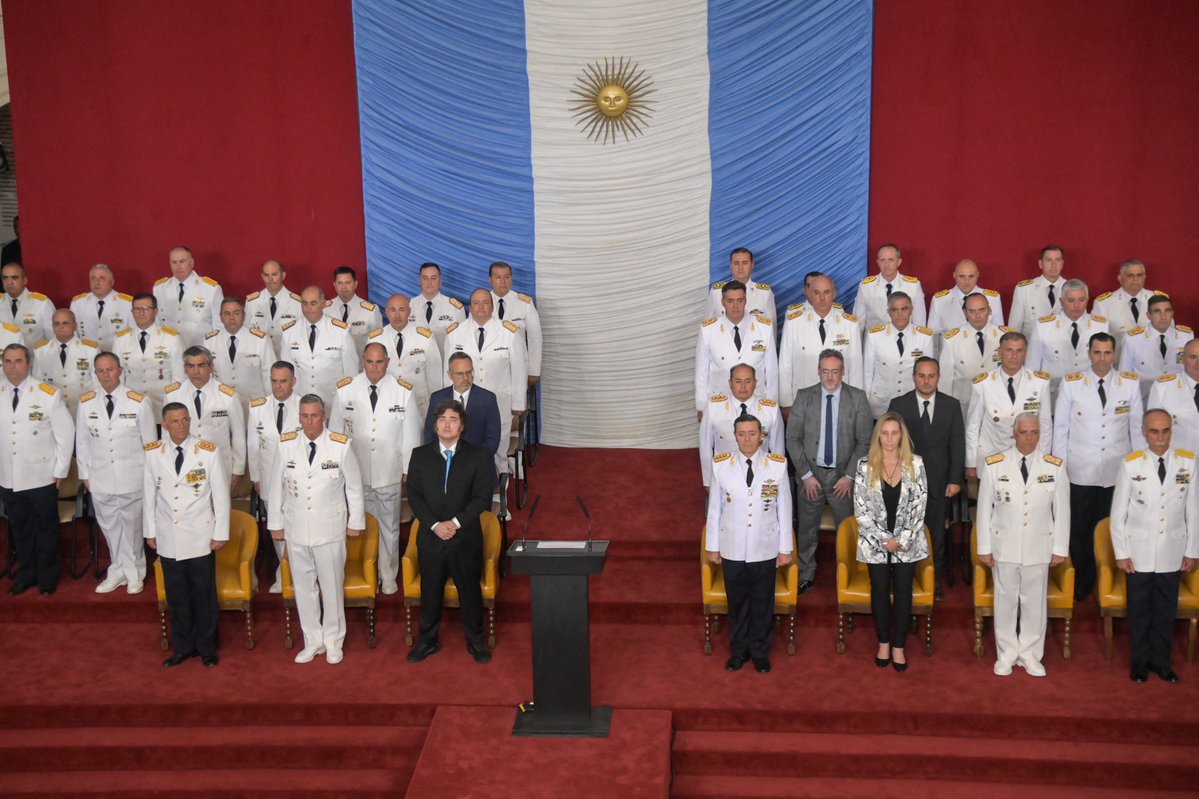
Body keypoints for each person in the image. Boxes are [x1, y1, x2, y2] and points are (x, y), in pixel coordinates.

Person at [268, 394, 365, 665]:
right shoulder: (285, 444)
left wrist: (355, 522)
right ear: (299, 417)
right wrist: (275, 524)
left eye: (314, 416)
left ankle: (334, 640)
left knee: (332, 586)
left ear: (324, 416)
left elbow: (354, 487)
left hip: (330, 528)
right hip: (296, 528)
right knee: (303, 587)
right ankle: (313, 640)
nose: (309, 422)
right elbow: (276, 486)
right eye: (304, 416)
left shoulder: (340, 445)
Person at [1053, 332, 1145, 601]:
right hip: (1080, 469)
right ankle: (1083, 579)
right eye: (1097, 352)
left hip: (1117, 471)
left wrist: (1139, 470)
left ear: (1114, 354)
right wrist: (1060, 470)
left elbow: (1137, 429)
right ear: (1088, 353)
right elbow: (1061, 429)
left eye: (1107, 353)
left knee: (1114, 526)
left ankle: (1111, 578)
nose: (1102, 359)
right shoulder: (1072, 384)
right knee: (1080, 528)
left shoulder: (1130, 384)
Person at [976, 413, 1069, 677]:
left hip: (1039, 546)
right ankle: (1006, 653)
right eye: (1025, 432)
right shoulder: (995, 465)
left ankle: (1030, 654)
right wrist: (984, 546)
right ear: (1013, 433)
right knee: (1005, 601)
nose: (1030, 438)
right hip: (1004, 544)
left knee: (1034, 604)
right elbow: (984, 510)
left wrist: (1060, 548)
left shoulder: (1055, 466)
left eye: (1034, 433)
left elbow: (1062, 510)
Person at [1109, 409, 1199, 684]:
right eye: (1154, 432)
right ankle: (1139, 664)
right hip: (1139, 553)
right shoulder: (1131, 464)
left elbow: (1193, 511)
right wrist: (1122, 553)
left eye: (1165, 431)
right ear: (1144, 432)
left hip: (1172, 551)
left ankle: (1162, 663)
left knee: (1165, 611)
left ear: (1171, 431)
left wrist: (1192, 550)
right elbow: (1118, 513)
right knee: (1139, 611)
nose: (1160, 438)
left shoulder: (1188, 463)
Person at [406, 399, 494, 665]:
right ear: (435, 424)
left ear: (462, 425)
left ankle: (476, 641)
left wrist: (455, 523)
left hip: (464, 537)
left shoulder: (478, 456)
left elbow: (482, 498)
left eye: (453, 419)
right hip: (431, 537)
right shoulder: (419, 455)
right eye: (442, 419)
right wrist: (435, 525)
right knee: (430, 591)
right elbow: (414, 496)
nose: (447, 424)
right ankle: (427, 641)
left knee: (470, 591)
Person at [329, 342, 421, 595]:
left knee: (390, 527)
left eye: (379, 362)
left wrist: (407, 468)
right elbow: (335, 434)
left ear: (388, 362)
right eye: (370, 362)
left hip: (388, 471)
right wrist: (337, 471)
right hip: (355, 473)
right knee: (361, 525)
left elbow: (411, 435)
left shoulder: (403, 392)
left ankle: (388, 574)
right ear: (362, 361)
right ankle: (368, 572)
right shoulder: (345, 390)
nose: (374, 367)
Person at [705, 414, 793, 673]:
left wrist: (785, 549)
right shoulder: (721, 465)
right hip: (732, 546)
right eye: (742, 434)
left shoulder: (777, 465)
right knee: (737, 603)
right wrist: (713, 546)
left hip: (764, 546)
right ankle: (739, 651)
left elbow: (784, 509)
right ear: (735, 436)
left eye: (752, 433)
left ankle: (760, 652)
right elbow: (714, 510)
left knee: (762, 602)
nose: (747, 439)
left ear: (761, 435)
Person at [143, 402, 229, 668]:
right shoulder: (153, 453)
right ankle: (183, 647)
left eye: (185, 420)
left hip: (200, 534)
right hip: (169, 535)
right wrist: (150, 532)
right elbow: (149, 496)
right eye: (175, 421)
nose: (181, 426)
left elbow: (221, 496)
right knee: (177, 595)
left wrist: (220, 532)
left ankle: (206, 647)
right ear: (164, 425)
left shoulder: (207, 452)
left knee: (203, 594)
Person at [785, 349, 873, 593]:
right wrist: (805, 476)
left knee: (847, 529)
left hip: (842, 476)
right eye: (825, 371)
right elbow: (792, 438)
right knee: (806, 528)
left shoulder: (858, 398)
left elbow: (865, 442)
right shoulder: (804, 397)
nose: (830, 377)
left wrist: (849, 476)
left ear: (843, 372)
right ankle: (806, 574)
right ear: (818, 371)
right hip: (810, 475)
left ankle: (848, 575)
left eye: (835, 372)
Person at [852, 412, 928, 673]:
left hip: (908, 544)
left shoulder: (916, 464)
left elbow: (920, 506)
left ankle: (899, 646)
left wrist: (902, 539)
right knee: (880, 591)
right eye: (884, 433)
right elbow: (861, 510)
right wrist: (885, 540)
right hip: (875, 545)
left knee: (904, 593)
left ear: (902, 436)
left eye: (894, 433)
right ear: (878, 436)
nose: (889, 438)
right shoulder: (864, 466)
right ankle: (883, 642)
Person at [76, 352, 157, 594]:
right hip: (100, 477)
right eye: (100, 371)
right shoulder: (85, 402)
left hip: (132, 476)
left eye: (110, 369)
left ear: (120, 370)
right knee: (111, 529)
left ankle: (135, 573)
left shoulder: (139, 402)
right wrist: (85, 475)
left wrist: (150, 478)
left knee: (132, 529)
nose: (105, 375)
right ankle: (117, 570)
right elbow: (81, 443)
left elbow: (151, 445)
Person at [887, 357, 965, 597]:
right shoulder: (898, 404)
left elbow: (957, 445)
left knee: (935, 537)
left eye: (931, 376)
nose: (926, 380)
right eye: (921, 375)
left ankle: (934, 582)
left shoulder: (951, 405)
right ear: (913, 377)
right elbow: (890, 445)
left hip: (939, 485)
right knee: (903, 533)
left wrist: (954, 480)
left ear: (939, 378)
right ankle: (903, 583)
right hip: (904, 484)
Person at [0, 344, 74, 596]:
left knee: (46, 528)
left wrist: (61, 469)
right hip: (8, 475)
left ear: (28, 363)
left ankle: (47, 577)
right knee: (20, 528)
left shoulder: (46, 393)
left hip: (41, 474)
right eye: (7, 361)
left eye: (18, 361)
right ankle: (28, 572)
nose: (12, 366)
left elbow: (66, 433)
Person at [443, 289, 528, 476]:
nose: (480, 307)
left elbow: (519, 371)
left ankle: (500, 499)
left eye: (485, 302)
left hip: (499, 403)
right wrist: (448, 405)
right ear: (470, 306)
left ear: (492, 306)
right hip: (464, 404)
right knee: (464, 451)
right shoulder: (455, 333)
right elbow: (446, 373)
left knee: (499, 453)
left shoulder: (509, 333)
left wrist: (518, 404)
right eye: (476, 303)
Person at [246, 361, 302, 593]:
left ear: (293, 381)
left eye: (283, 381)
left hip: (298, 479)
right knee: (276, 526)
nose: (278, 386)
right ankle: (284, 572)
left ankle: (300, 572)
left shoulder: (305, 405)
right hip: (269, 479)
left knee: (298, 526)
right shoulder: (257, 407)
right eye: (274, 381)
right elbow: (253, 445)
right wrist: (256, 478)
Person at [965, 332, 1052, 475]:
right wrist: (971, 464)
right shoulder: (983, 384)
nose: (1014, 356)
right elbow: (973, 426)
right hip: (992, 457)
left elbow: (1045, 425)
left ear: (1026, 353)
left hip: (1027, 456)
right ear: (999, 352)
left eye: (1019, 351)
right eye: (1009, 350)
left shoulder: (1040, 383)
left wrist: (1043, 459)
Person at [163, 346, 246, 489]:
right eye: (191, 366)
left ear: (211, 367)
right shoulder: (172, 395)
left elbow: (238, 435)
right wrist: (166, 463)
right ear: (185, 369)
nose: (196, 371)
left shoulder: (228, 396)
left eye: (201, 365)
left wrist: (237, 469)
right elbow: (166, 433)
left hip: (219, 464)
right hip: (184, 464)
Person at [778, 274, 863, 408]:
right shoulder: (794, 323)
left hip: (841, 399)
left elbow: (856, 367)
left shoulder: (850, 324)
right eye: (817, 293)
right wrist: (786, 403)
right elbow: (785, 365)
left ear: (834, 293)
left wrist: (856, 402)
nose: (822, 298)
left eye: (827, 292)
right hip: (802, 400)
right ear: (809, 294)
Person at [695, 280, 776, 417]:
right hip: (719, 403)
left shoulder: (764, 327)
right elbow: (701, 371)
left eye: (740, 300)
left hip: (757, 402)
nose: (735, 306)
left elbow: (772, 370)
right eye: (730, 301)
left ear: (746, 301)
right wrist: (702, 406)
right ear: (723, 302)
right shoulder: (708, 329)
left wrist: (772, 403)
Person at [699, 364, 783, 488]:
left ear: (755, 383)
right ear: (730, 383)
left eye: (748, 381)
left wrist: (777, 479)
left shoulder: (770, 409)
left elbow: (778, 449)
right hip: (723, 476)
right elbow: (705, 447)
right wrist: (708, 481)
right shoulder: (714, 408)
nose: (743, 387)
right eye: (738, 381)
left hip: (761, 477)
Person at [1028, 278, 1109, 401]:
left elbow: (1106, 364)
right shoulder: (1043, 326)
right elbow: (1032, 368)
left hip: (1089, 396)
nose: (1076, 305)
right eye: (1071, 300)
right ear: (1061, 301)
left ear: (1087, 300)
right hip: (1053, 397)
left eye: (1081, 300)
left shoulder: (1101, 325)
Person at [368, 293, 444, 420]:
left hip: (420, 405)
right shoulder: (374, 339)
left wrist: (436, 408)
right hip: (386, 403)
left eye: (401, 310)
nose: (397, 315)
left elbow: (435, 379)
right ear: (386, 312)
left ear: (409, 311)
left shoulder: (425, 338)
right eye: (393, 310)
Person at [279, 286, 359, 405]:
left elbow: (351, 373)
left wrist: (348, 402)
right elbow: (285, 372)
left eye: (313, 303)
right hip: (300, 403)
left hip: (332, 402)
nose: (308, 308)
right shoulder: (289, 332)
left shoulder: (341, 331)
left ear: (323, 304)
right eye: (304, 303)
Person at [862, 291, 936, 417]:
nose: (900, 314)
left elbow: (929, 374)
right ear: (888, 312)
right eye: (895, 310)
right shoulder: (874, 336)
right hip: (880, 405)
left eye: (904, 309)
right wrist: (865, 405)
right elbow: (867, 374)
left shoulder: (925, 337)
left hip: (913, 404)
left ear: (911, 310)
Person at [112, 292, 183, 419]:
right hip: (131, 407)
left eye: (146, 309)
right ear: (132, 312)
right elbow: (118, 377)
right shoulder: (120, 340)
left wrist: (173, 409)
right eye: (137, 309)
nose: (141, 313)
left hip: (162, 406)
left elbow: (179, 379)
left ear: (155, 312)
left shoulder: (171, 338)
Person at [937, 292, 1006, 422]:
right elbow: (945, 382)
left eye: (982, 310)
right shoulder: (952, 339)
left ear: (989, 310)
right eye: (972, 311)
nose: (978, 315)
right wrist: (946, 413)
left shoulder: (1004, 336)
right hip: (964, 408)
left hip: (998, 405)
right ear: (965, 313)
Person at [424, 353, 502, 461]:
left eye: (469, 372)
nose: (466, 378)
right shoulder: (437, 398)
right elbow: (430, 435)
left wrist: (471, 462)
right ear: (450, 375)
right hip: (444, 461)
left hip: (478, 463)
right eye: (460, 374)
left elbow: (492, 440)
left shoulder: (488, 399)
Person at [1119, 295, 1193, 402]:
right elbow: (1124, 375)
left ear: (1172, 313)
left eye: (1167, 311)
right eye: (1157, 312)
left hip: (1179, 399)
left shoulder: (1186, 336)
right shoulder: (1132, 340)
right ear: (1148, 315)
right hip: (1145, 401)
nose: (1163, 317)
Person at [206, 297, 273, 413]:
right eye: (227, 314)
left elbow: (269, 375)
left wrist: (270, 404)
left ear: (243, 315)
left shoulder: (260, 340)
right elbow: (208, 376)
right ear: (220, 317)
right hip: (222, 404)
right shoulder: (210, 340)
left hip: (254, 406)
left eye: (236, 313)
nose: (231, 318)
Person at [32, 309, 99, 416]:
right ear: (52, 327)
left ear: (75, 326)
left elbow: (97, 385)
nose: (61, 326)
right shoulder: (41, 351)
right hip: (55, 410)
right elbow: (38, 384)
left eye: (65, 323)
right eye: (56, 323)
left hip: (83, 409)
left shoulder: (90, 350)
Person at [152, 246, 223, 348]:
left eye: (182, 261)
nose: (178, 266)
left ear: (192, 263)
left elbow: (219, 326)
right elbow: (156, 322)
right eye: (174, 262)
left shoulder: (211, 289)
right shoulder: (159, 288)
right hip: (168, 350)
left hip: (200, 351)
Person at [1092, 259, 1168, 347]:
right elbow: (1096, 340)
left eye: (1139, 275)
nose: (1135, 279)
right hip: (1119, 358)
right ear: (1120, 278)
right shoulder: (1103, 304)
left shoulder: (1159, 300)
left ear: (1145, 277)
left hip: (1153, 358)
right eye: (1130, 275)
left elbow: (1169, 332)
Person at [489, 261, 543, 384]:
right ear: (490, 280)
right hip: (490, 365)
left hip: (518, 366)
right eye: (498, 277)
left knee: (518, 401)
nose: (503, 281)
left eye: (507, 277)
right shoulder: (481, 302)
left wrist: (534, 371)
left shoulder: (525, 303)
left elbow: (535, 338)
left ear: (511, 278)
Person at [852, 243, 927, 329]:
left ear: (899, 262)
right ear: (878, 262)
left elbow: (919, 323)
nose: (886, 265)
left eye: (890, 260)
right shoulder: (866, 286)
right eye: (883, 260)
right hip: (874, 341)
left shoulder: (913, 286)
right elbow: (858, 323)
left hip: (905, 340)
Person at [1147, 339, 1199, 454]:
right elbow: (1151, 431)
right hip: (1179, 463)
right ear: (1183, 359)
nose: (1198, 363)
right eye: (1193, 357)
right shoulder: (1163, 387)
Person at [926, 258, 1004, 332]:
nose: (967, 281)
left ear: (977, 275)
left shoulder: (993, 299)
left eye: (971, 276)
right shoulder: (939, 300)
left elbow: (999, 333)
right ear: (954, 275)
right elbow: (933, 335)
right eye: (962, 276)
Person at [244, 259, 302, 355]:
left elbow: (300, 334)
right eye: (266, 275)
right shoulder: (252, 302)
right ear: (262, 276)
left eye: (274, 274)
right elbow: (246, 332)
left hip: (287, 357)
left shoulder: (297, 303)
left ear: (283, 275)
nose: (270, 279)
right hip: (260, 356)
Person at [1008, 245, 1068, 339]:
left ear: (1062, 264)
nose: (1053, 265)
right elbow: (1014, 328)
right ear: (1040, 264)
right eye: (1048, 260)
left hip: (1064, 350)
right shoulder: (1024, 290)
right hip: (1032, 350)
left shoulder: (1073, 289)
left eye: (1057, 260)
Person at [706, 247, 777, 325]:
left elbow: (771, 327)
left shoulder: (765, 293)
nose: (740, 268)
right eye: (736, 263)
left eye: (745, 263)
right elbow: (707, 325)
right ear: (730, 266)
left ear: (752, 265)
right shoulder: (716, 292)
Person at [70, 263, 133, 350]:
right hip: (87, 356)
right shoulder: (77, 303)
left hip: (116, 356)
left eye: (102, 278)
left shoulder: (127, 303)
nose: (97, 283)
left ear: (112, 282)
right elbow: (73, 334)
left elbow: (133, 334)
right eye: (93, 279)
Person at [325, 265, 382, 354]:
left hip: (359, 365)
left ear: (355, 284)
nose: (343, 287)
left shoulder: (370, 311)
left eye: (348, 282)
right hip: (332, 366)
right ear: (334, 285)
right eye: (340, 283)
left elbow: (377, 342)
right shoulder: (325, 309)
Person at [0, 261, 55, 346]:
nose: (9, 283)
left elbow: (53, 339)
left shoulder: (42, 304)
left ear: (24, 280)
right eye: (5, 278)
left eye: (14, 278)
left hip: (33, 358)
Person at [415, 262, 466, 348]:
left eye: (433, 278)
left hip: (445, 359)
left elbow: (462, 339)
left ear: (440, 281)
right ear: (419, 281)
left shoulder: (455, 308)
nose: (429, 282)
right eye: (425, 278)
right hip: (415, 359)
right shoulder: (408, 306)